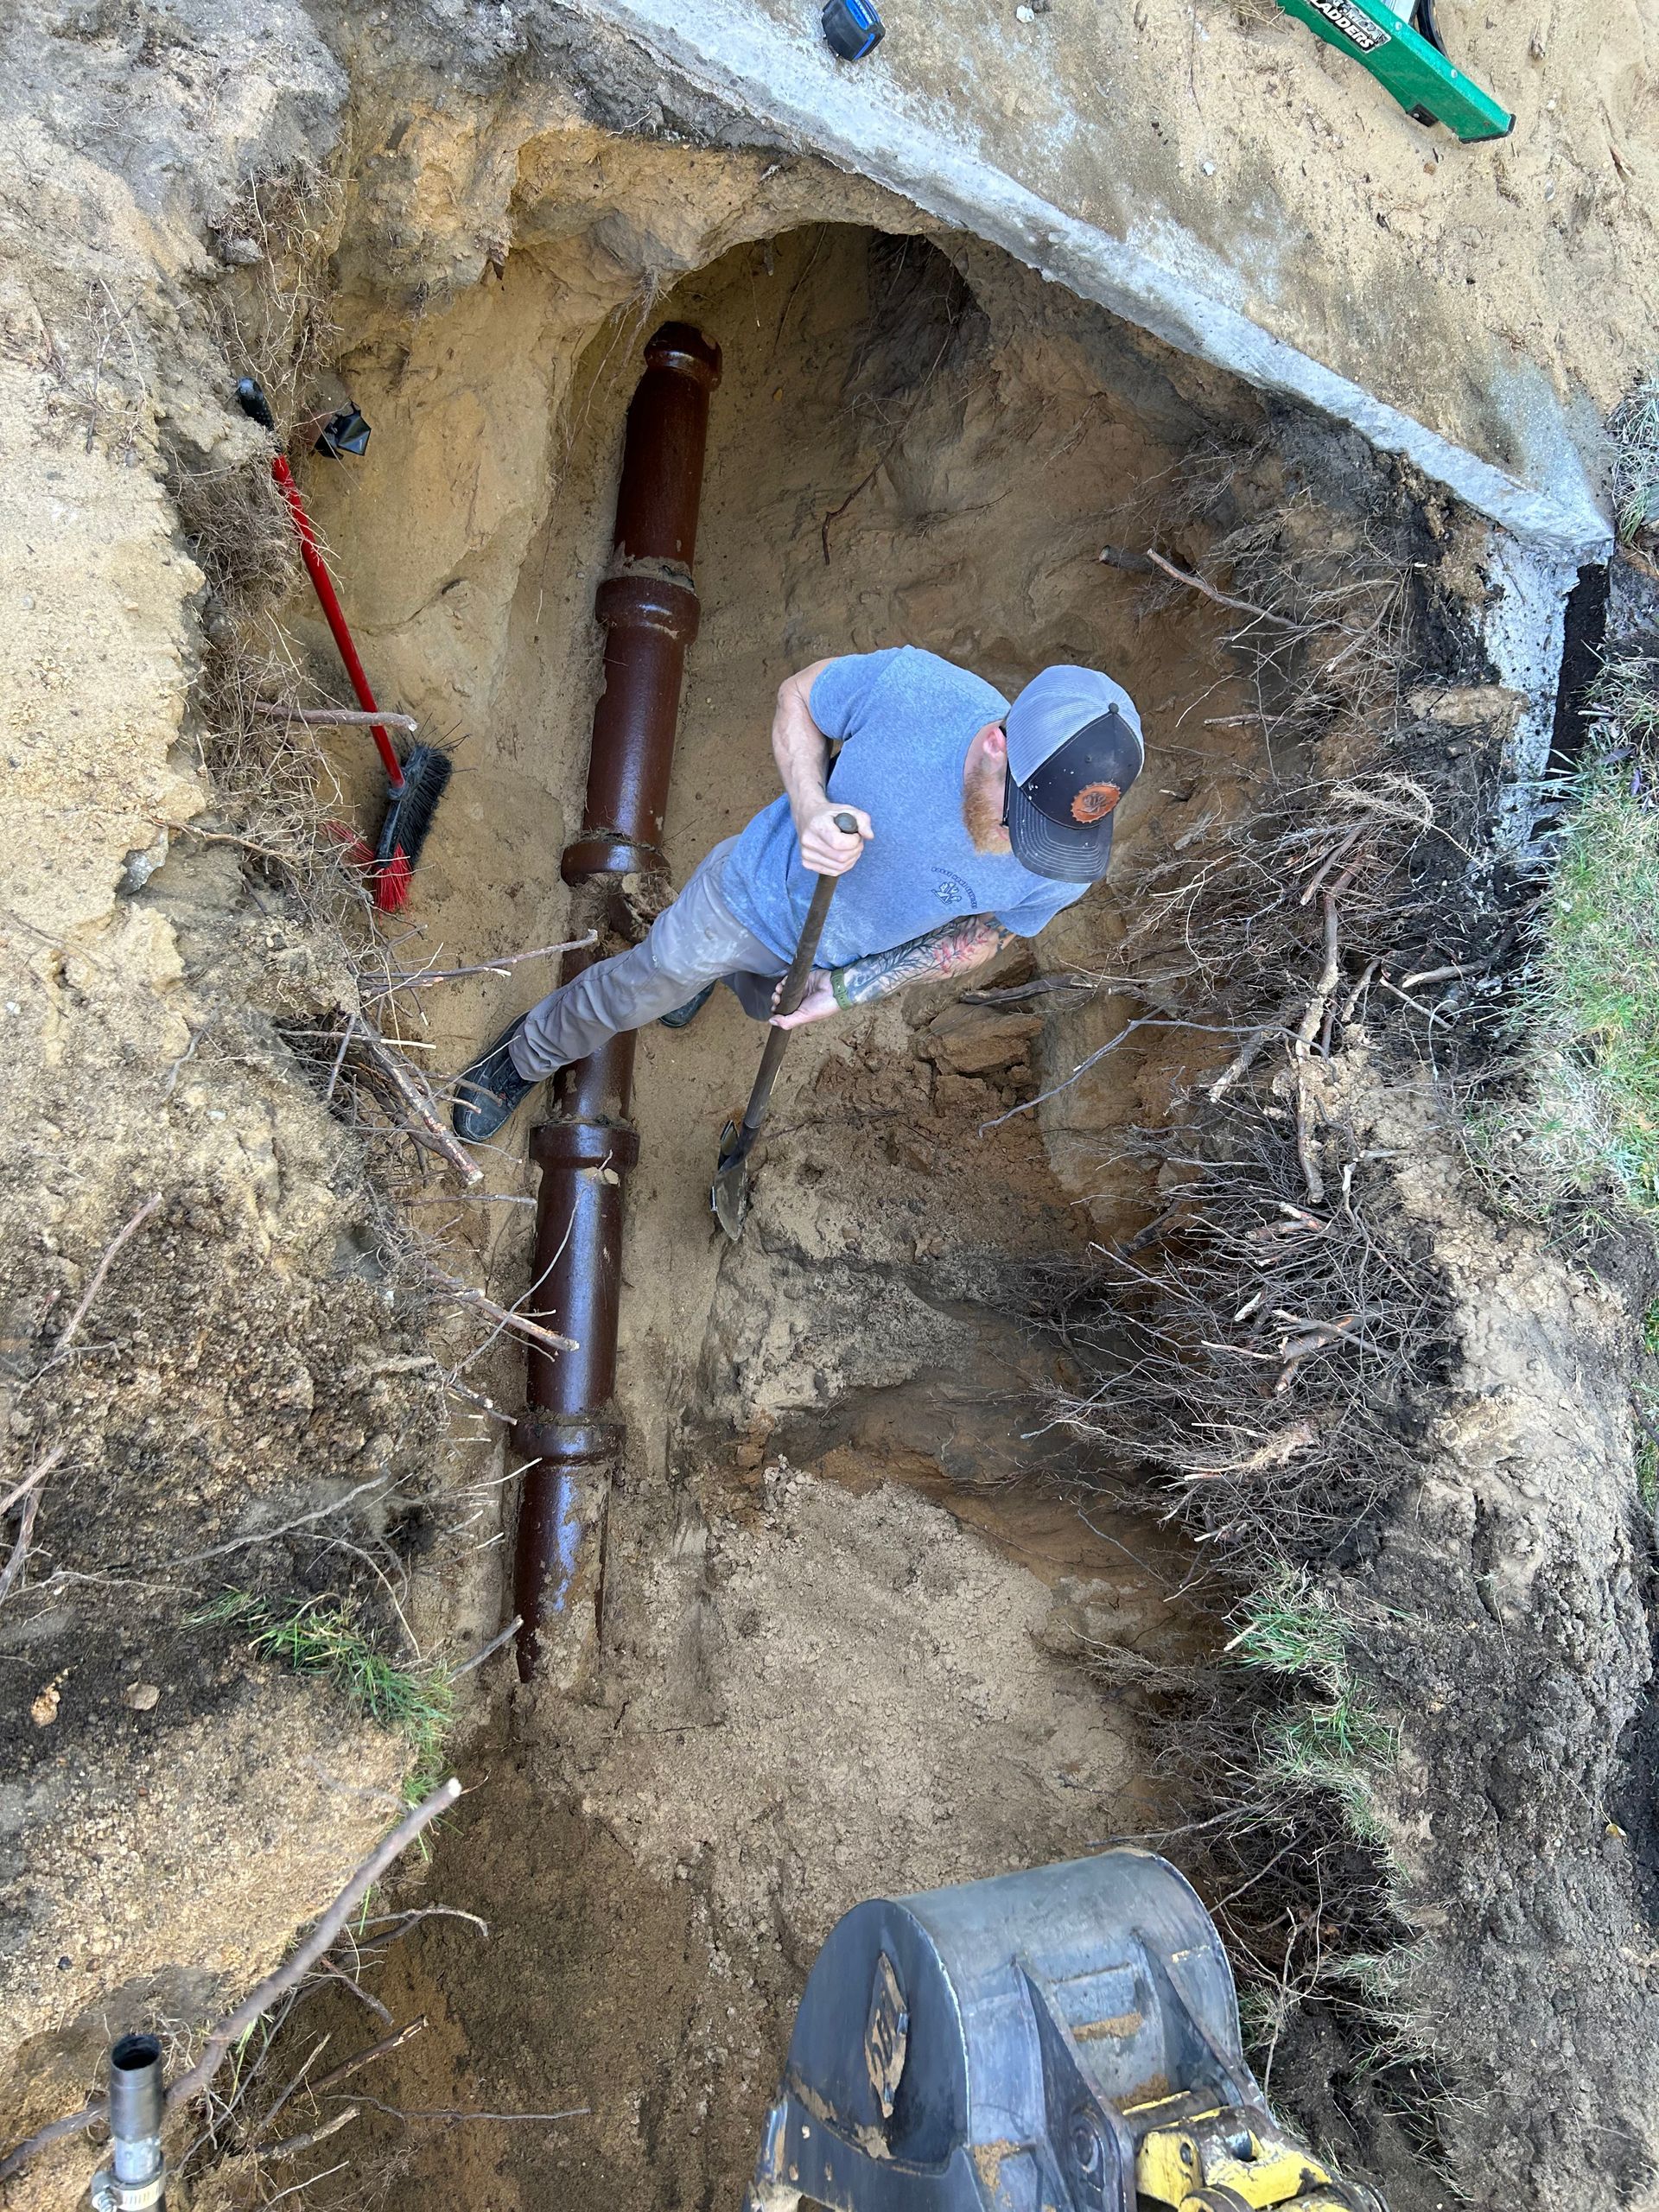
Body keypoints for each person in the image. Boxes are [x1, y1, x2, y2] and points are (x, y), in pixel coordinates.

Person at [450, 648, 1143, 1143]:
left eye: (1046, 837)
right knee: (647, 983)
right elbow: (801, 696)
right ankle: (527, 1053)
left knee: (758, 1002)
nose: (1023, 847)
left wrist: (850, 990)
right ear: (996, 743)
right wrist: (811, 806)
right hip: (753, 893)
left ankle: (719, 981)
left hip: (829, 958)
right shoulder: (916, 692)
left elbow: (991, 932)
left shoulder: (1062, 862)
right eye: (1015, 818)